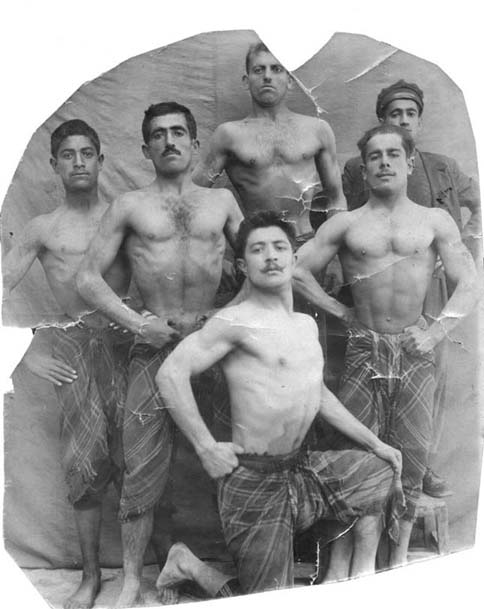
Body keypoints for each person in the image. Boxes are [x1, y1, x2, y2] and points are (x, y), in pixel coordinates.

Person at [155, 210, 404, 596]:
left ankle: (351, 576)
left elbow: (316, 394)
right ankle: (188, 564)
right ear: (243, 266)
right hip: (253, 480)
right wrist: (206, 447)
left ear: (293, 257)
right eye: (258, 250)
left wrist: (377, 444)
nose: (270, 256)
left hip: (301, 472)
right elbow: (170, 374)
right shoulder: (235, 321)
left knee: (378, 469)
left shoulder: (305, 325)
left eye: (279, 247)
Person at [76, 101, 243, 607]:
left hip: (213, 350)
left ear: (195, 143)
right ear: (146, 148)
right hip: (154, 347)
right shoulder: (130, 205)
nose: (169, 141)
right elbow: (87, 279)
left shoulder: (221, 202)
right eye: (158, 134)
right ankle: (131, 581)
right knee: (140, 464)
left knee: (239, 454)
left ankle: (243, 565)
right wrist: (138, 325)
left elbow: (263, 263)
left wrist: (226, 317)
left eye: (178, 132)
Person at [295, 124, 479, 566]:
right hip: (363, 348)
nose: (384, 162)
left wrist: (434, 333)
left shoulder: (434, 221)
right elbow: (296, 270)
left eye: (393, 154)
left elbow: (470, 283)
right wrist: (339, 312)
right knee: (358, 451)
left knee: (412, 453)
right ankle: (348, 563)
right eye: (374, 156)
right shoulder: (346, 223)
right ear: (363, 168)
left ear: (409, 162)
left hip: (416, 349)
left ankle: (396, 560)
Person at [2, 119, 132, 609]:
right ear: (55, 165)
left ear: (101, 160)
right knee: (84, 464)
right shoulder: (43, 228)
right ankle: (90, 576)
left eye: (87, 153)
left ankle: (142, 573)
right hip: (74, 349)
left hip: (128, 345)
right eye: (68, 155)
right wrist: (28, 351)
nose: (78, 162)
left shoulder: (125, 216)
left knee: (137, 458)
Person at [342, 80, 482, 496]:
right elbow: (345, 218)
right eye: (394, 114)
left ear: (419, 121)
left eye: (410, 114)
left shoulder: (443, 167)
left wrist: (466, 243)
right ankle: (374, 473)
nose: (403, 121)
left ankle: (424, 463)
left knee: (430, 369)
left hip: (437, 282)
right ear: (382, 121)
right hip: (379, 280)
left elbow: (477, 207)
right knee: (371, 375)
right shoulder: (358, 167)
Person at [193, 43, 347, 238]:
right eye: (259, 70)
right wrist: (234, 243)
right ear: (246, 81)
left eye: (276, 69)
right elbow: (192, 194)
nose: (267, 76)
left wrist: (329, 245)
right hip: (257, 244)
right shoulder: (228, 135)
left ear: (290, 80)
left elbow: (336, 198)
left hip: (307, 241)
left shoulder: (317, 130)